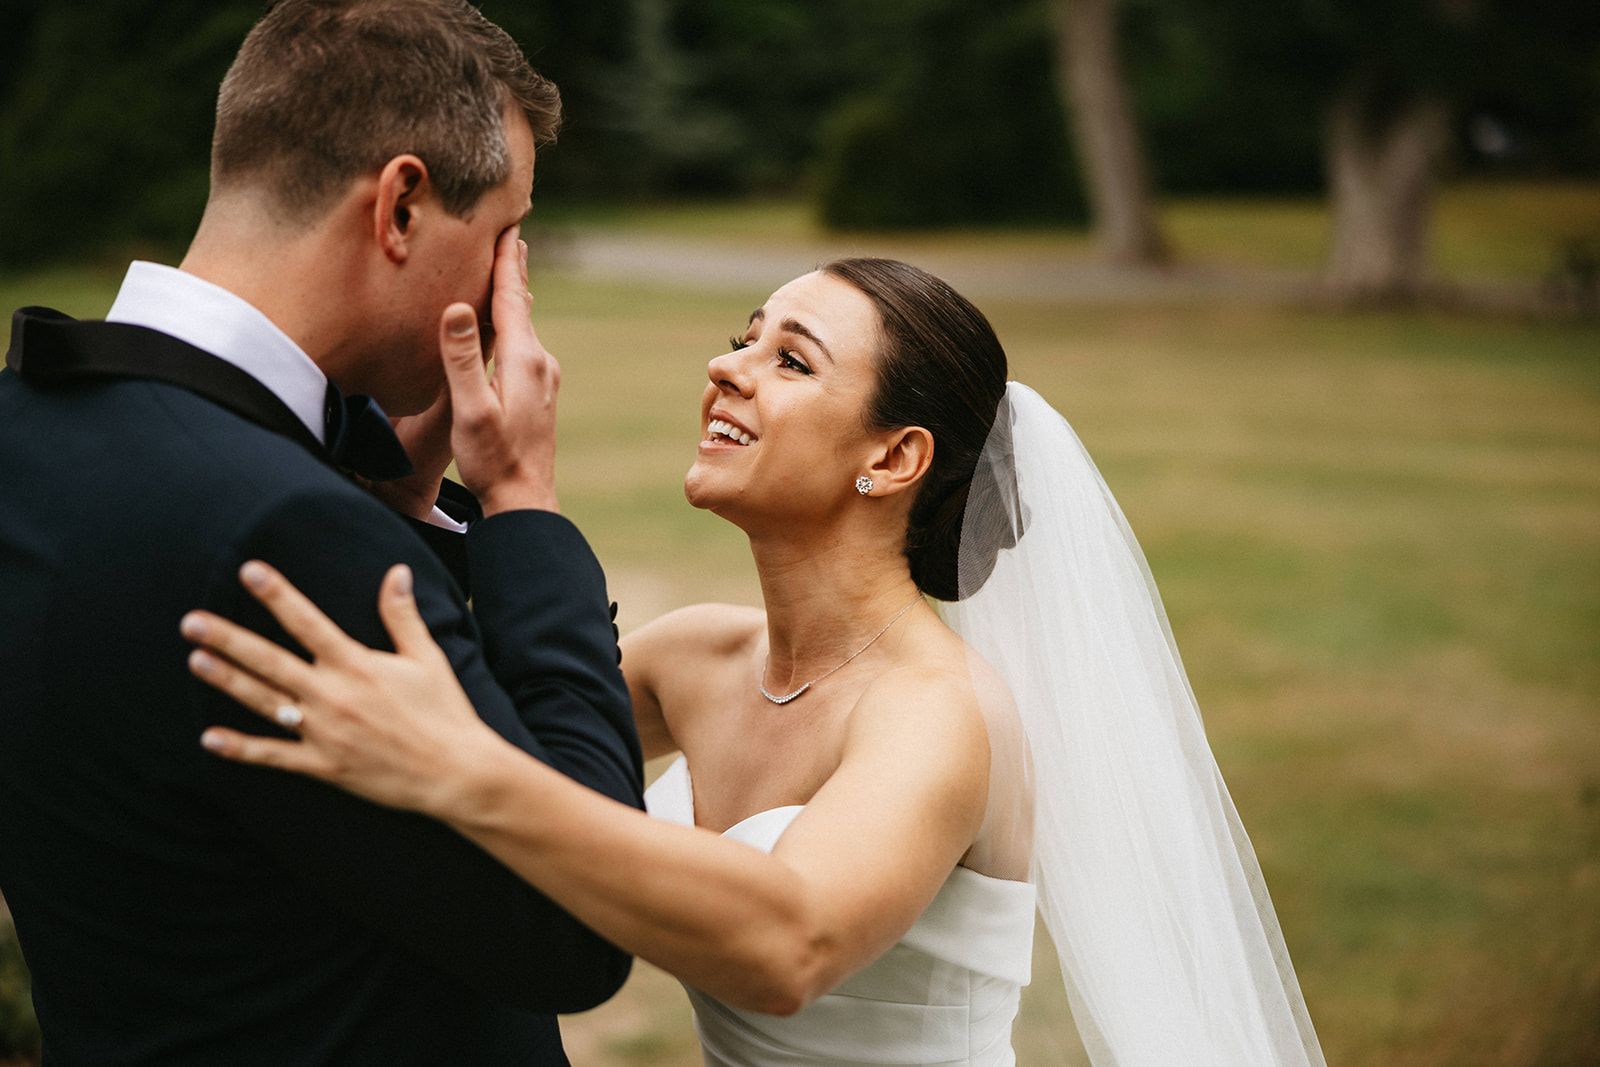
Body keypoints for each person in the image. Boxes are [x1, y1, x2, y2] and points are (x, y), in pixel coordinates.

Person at [180, 258, 1330, 1066]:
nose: (726, 368)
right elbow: (489, 729)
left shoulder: (940, 712)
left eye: (790, 359)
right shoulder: (696, 659)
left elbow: (791, 938)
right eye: (743, 338)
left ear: (892, 457)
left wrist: (465, 772)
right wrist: (419, 499)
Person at [0, 3, 641, 1065]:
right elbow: (584, 922)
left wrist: (402, 505)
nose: (506, 283)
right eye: (502, 237)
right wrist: (522, 500)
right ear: (399, 207)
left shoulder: (28, 429)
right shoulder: (293, 532)